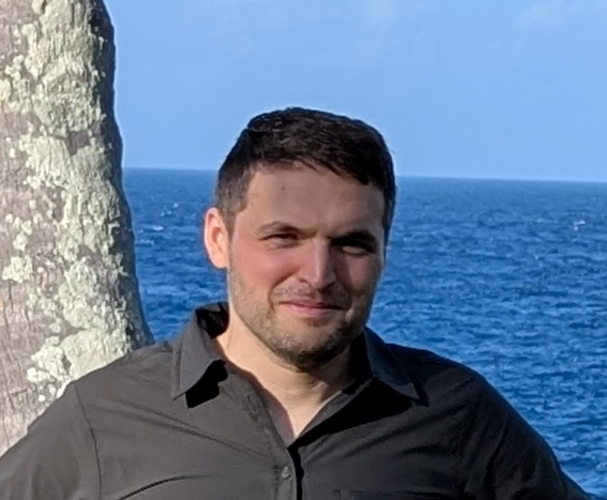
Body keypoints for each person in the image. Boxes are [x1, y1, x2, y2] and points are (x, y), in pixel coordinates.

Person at [0, 107, 590, 499]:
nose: (318, 274)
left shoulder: (457, 415)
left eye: (352, 243)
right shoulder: (104, 417)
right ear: (218, 238)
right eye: (284, 237)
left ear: (384, 251)